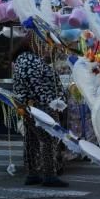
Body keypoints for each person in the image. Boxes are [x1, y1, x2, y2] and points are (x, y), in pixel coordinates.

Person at [12, 33, 68, 187]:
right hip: (39, 106)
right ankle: (49, 175)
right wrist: (50, 100)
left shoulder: (24, 59)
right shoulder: (30, 60)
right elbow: (37, 85)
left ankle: (32, 174)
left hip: (31, 105)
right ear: (34, 44)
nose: (45, 49)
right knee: (48, 139)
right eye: (43, 45)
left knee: (31, 140)